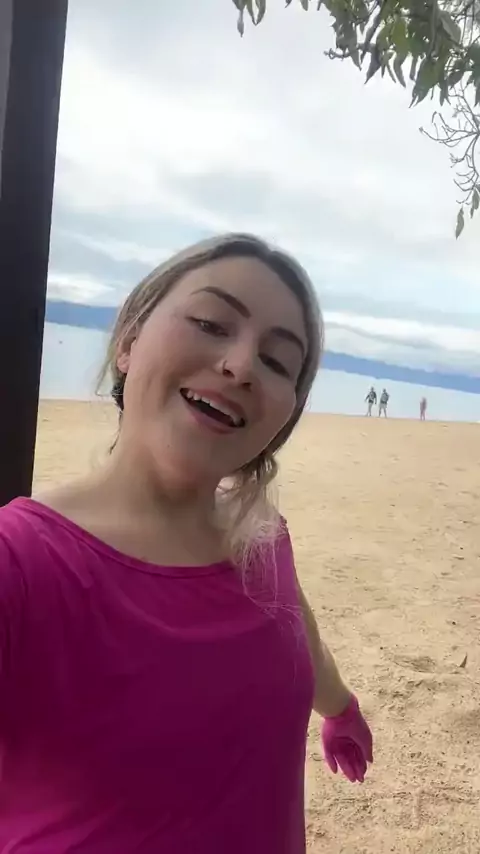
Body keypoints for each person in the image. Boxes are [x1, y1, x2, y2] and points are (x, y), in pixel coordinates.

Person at [0, 234, 373, 854]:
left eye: (278, 361)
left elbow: (295, 631)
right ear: (129, 340)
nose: (242, 365)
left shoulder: (262, 540)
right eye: (210, 323)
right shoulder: (22, 560)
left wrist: (339, 708)